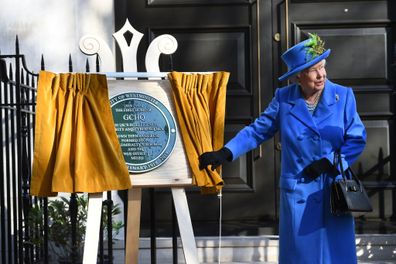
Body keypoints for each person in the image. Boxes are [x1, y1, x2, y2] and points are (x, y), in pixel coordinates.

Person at [199, 33, 366, 264]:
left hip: (333, 190)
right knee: (301, 256)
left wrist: (329, 162)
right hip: (299, 191)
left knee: (334, 255)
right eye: (313, 70)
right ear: (298, 75)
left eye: (322, 67)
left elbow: (356, 139)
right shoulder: (284, 99)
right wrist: (226, 152)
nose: (321, 75)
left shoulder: (344, 96)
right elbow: (257, 131)